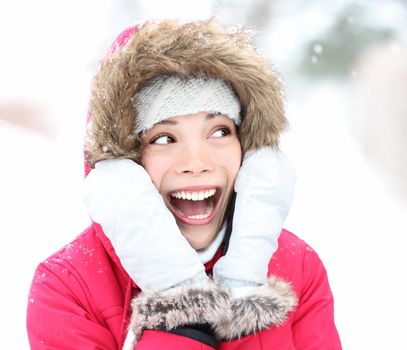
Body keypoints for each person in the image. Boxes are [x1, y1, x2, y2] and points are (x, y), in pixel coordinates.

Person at [26, 19, 341, 349]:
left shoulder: (298, 266)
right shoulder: (68, 284)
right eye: (164, 138)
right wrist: (178, 306)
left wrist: (245, 285)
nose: (197, 163)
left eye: (219, 131)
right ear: (124, 164)